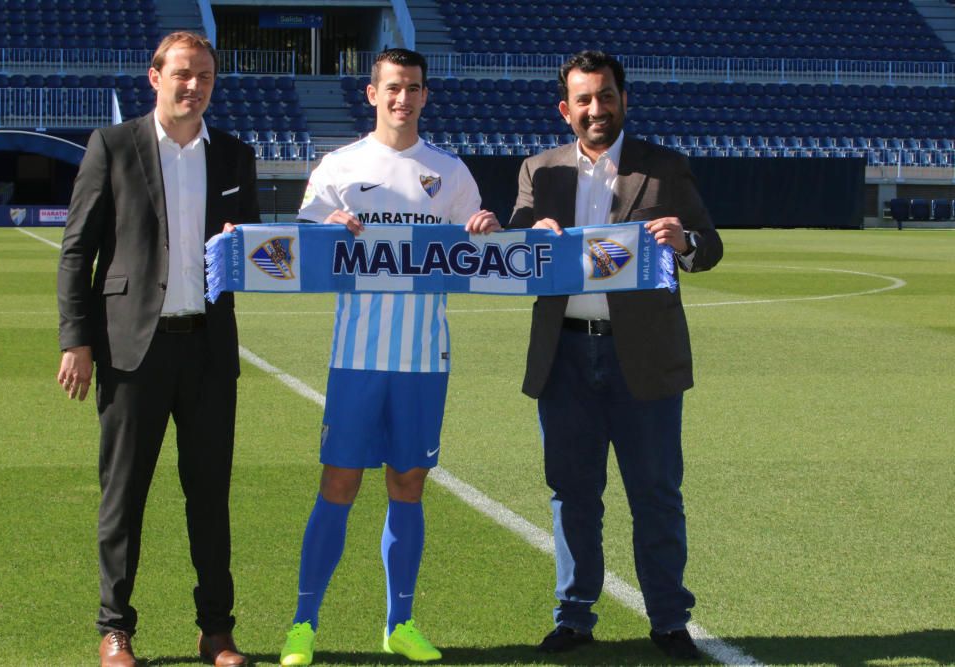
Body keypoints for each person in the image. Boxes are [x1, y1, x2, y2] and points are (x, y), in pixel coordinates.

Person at [277, 48, 499, 666]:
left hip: (425, 357)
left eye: (415, 88)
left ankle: (400, 623)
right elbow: (301, 249)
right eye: (393, 88)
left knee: (408, 484)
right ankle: (303, 624)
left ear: (426, 96)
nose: (404, 98)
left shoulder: (449, 172)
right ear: (372, 94)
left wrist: (481, 227)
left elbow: (472, 257)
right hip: (357, 354)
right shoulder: (339, 166)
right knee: (339, 482)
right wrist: (327, 227)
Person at [506, 50, 723, 660]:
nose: (595, 109)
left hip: (644, 360)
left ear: (623, 99)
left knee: (655, 491)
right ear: (565, 109)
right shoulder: (539, 170)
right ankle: (574, 616)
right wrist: (529, 239)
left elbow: (710, 247)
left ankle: (668, 619)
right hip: (565, 358)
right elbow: (517, 250)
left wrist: (684, 242)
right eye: (584, 100)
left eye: (605, 96)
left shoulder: (664, 167)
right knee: (572, 493)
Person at [56, 31, 259, 667]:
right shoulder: (113, 146)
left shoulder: (233, 154)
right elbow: (77, 251)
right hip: (128, 352)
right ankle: (115, 628)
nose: (193, 85)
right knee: (123, 496)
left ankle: (216, 631)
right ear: (155, 77)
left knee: (209, 496)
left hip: (207, 351)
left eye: (204, 75)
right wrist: (76, 340)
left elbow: (251, 251)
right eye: (181, 74)